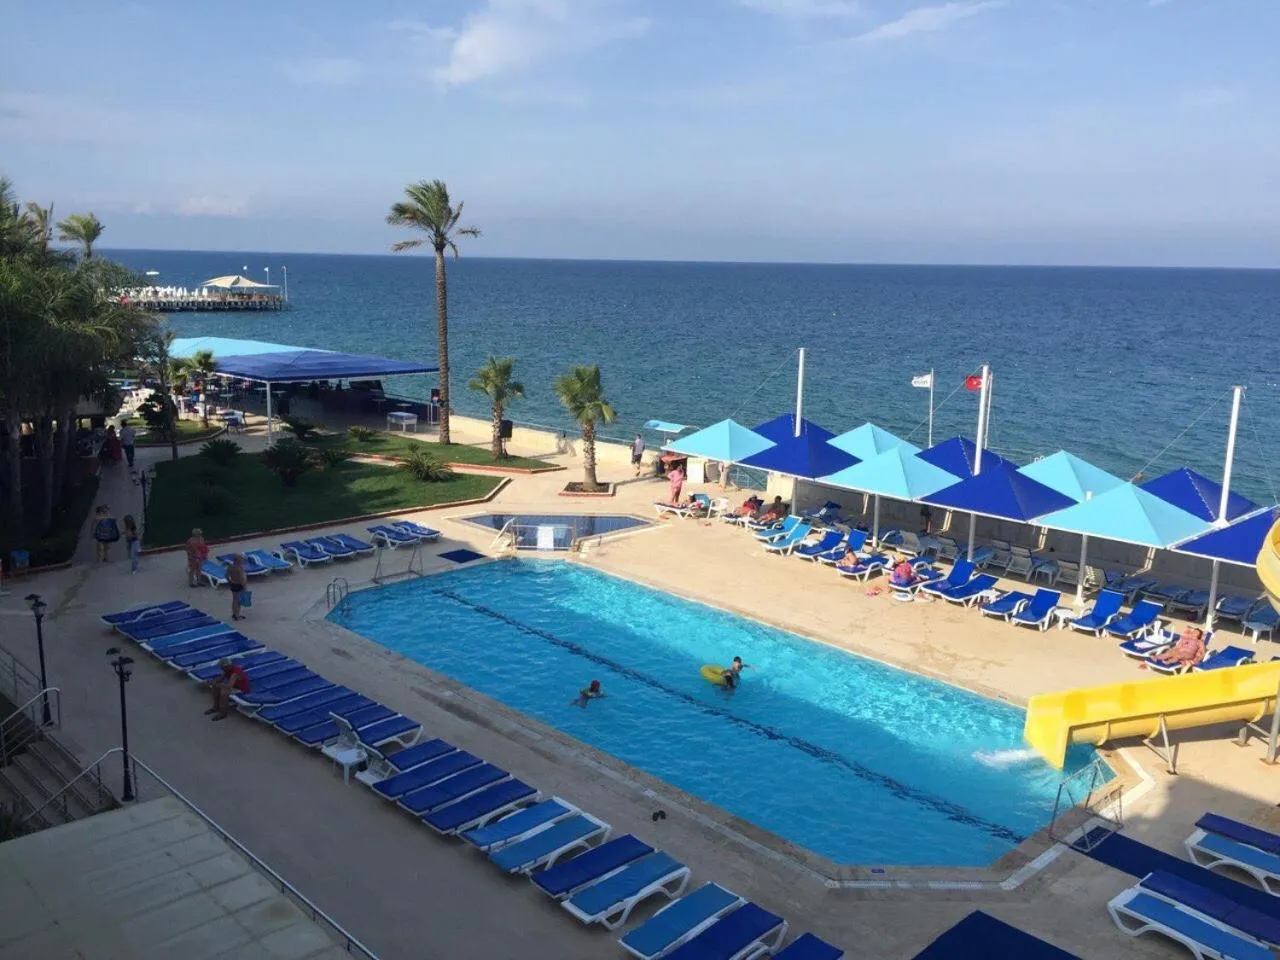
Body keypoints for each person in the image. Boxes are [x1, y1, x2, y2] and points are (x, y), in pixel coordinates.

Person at [227, 554, 249, 620]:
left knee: (234, 600)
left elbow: (226, 576)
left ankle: (234, 614)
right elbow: (242, 579)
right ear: (239, 561)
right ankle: (237, 616)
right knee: (238, 601)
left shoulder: (230, 567)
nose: (242, 561)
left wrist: (230, 582)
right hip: (239, 585)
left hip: (233, 584)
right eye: (241, 560)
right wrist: (245, 587)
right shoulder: (239, 568)